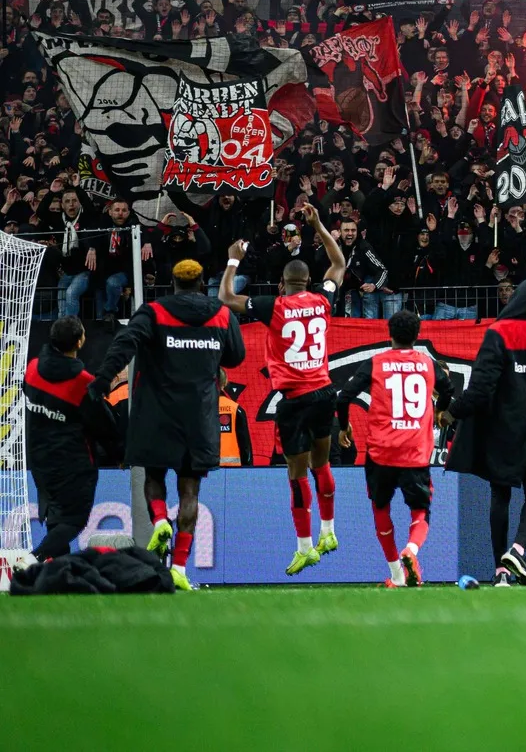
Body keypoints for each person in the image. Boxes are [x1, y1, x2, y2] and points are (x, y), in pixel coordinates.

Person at [94, 258, 245, 590]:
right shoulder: (221, 314)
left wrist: (102, 379)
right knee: (190, 490)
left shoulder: (154, 312)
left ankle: (160, 519)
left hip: (157, 413)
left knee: (154, 476)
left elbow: (124, 344)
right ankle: (178, 567)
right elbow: (236, 357)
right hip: (199, 417)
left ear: (172, 283)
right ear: (202, 282)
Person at [221, 204, 347, 575]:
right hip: (324, 393)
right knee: (321, 464)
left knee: (296, 474)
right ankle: (329, 531)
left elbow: (226, 299)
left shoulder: (273, 307)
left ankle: (305, 546)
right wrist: (319, 225)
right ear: (308, 281)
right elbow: (338, 264)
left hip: (293, 400)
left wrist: (233, 261)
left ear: (283, 283)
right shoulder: (324, 301)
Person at [447, 276, 526, 586]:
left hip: (504, 427)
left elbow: (482, 388)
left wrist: (453, 411)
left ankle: (501, 569)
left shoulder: (499, 332)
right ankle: (518, 548)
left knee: (500, 492)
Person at [332, 307, 452, 587]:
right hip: (415, 452)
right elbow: (448, 390)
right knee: (421, 510)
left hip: (380, 453)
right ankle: (411, 549)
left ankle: (397, 574)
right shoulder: (427, 363)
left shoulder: (376, 362)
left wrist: (345, 426)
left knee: (380, 507)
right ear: (417, 335)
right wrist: (439, 411)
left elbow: (344, 396)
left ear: (389, 335)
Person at [24, 316, 105, 561]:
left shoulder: (33, 368)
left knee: (56, 516)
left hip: (39, 458)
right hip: (72, 462)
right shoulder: (83, 383)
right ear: (80, 341)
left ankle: (59, 571)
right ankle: (33, 558)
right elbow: (103, 426)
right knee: (73, 520)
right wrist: (120, 452)